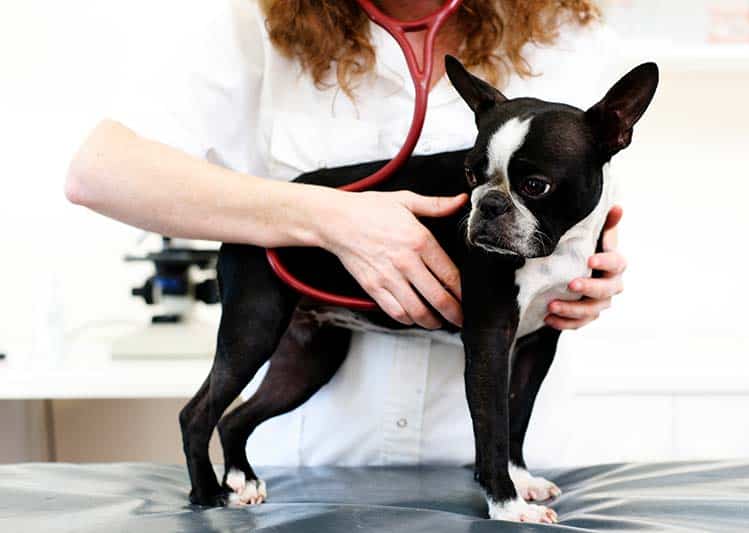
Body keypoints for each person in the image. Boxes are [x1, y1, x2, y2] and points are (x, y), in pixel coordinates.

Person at [65, 0, 627, 467]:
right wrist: (329, 216)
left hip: (509, 449)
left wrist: (585, 277)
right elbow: (98, 171)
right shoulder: (253, 20)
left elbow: (580, 205)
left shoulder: (572, 31)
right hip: (316, 459)